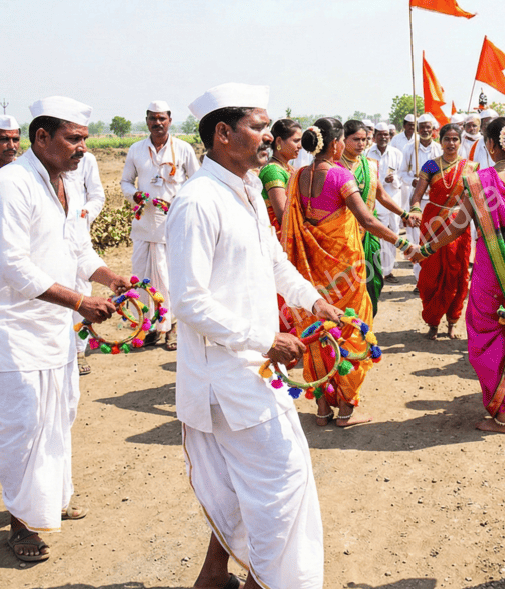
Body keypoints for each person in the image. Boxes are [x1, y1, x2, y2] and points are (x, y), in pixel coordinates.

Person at [171, 84, 341, 589]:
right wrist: (263, 339)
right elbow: (188, 301)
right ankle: (266, 580)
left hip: (255, 368)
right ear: (223, 134)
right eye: (258, 126)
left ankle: (225, 576)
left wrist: (314, 301)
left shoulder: (243, 190)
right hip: (226, 376)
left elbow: (275, 264)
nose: (269, 137)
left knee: (251, 485)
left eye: (269, 127)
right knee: (279, 482)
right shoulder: (198, 201)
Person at [0, 96, 130, 562]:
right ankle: (22, 524)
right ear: (41, 138)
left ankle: (47, 501)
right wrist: (81, 300)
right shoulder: (10, 185)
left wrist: (107, 276)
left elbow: (79, 249)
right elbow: (16, 268)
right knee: (22, 427)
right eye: (73, 138)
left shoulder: (69, 185)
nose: (82, 147)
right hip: (12, 330)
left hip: (54, 327)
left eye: (84, 139)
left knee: (58, 418)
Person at [417, 117, 505, 433]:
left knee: (489, 335)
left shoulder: (481, 181)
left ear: (492, 145)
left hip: (492, 273)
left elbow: (457, 225)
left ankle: (501, 414)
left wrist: (426, 249)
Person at [280, 118, 418, 428]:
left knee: (316, 331)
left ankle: (321, 409)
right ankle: (344, 409)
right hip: (345, 269)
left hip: (311, 270)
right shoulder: (341, 175)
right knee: (349, 329)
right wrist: (403, 244)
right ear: (335, 144)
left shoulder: (299, 176)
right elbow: (367, 221)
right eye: (344, 140)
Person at [120, 100, 201, 350]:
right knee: (143, 278)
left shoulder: (184, 149)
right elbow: (125, 182)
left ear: (170, 120)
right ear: (147, 121)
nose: (157, 123)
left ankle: (173, 327)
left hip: (173, 225)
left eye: (162, 118)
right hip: (144, 225)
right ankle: (151, 327)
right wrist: (135, 195)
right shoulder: (136, 149)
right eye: (153, 119)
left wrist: (179, 202)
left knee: (170, 277)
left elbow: (197, 182)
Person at [407, 123, 475, 339]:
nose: (451, 143)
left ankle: (452, 322)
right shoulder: (430, 166)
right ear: (440, 140)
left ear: (460, 141)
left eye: (455, 139)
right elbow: (417, 195)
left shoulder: (470, 167)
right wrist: (415, 209)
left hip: (458, 222)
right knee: (431, 273)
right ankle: (433, 323)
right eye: (447, 139)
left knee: (457, 272)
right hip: (432, 222)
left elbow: (476, 198)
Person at [341, 119, 409, 317]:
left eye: (365, 139)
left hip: (368, 234)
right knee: (348, 282)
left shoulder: (370, 165)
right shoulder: (335, 167)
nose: (361, 144)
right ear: (343, 140)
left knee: (373, 280)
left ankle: (366, 323)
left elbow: (382, 195)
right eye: (356, 139)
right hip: (343, 235)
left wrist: (404, 214)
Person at [71, 148, 106, 375]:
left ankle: (78, 351)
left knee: (81, 291)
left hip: (78, 234)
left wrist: (83, 215)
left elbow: (97, 196)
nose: (79, 146)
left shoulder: (87, 159)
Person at [402, 113, 444, 281]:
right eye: (422, 127)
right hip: (416, 202)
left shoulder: (439, 149)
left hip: (436, 201)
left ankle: (434, 277)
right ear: (417, 129)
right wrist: (413, 181)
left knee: (434, 239)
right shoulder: (409, 149)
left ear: (433, 130)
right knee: (416, 240)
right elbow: (401, 173)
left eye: (429, 127)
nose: (426, 130)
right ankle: (420, 279)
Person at [367, 122, 406, 282]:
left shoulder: (396, 153)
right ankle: (380, 270)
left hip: (394, 201)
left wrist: (394, 179)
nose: (383, 137)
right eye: (380, 134)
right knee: (380, 237)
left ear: (390, 136)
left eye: (386, 134)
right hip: (377, 202)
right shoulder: (368, 153)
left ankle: (388, 270)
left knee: (394, 235)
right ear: (375, 136)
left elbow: (403, 176)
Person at [258, 118, 302, 232]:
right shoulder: (273, 170)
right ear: (278, 141)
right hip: (280, 237)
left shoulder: (289, 168)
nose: (300, 146)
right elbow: (283, 215)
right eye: (296, 141)